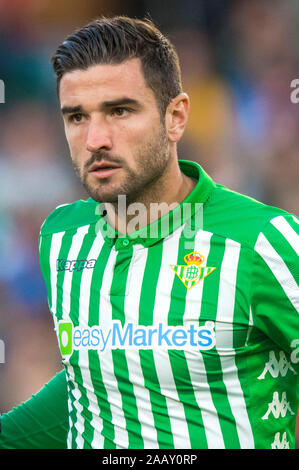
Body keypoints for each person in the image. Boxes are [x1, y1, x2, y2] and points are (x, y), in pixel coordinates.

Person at [0, 15, 298, 450]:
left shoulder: (264, 242)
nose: (96, 138)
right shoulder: (61, 237)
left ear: (176, 117)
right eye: (77, 117)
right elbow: (95, 388)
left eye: (120, 111)